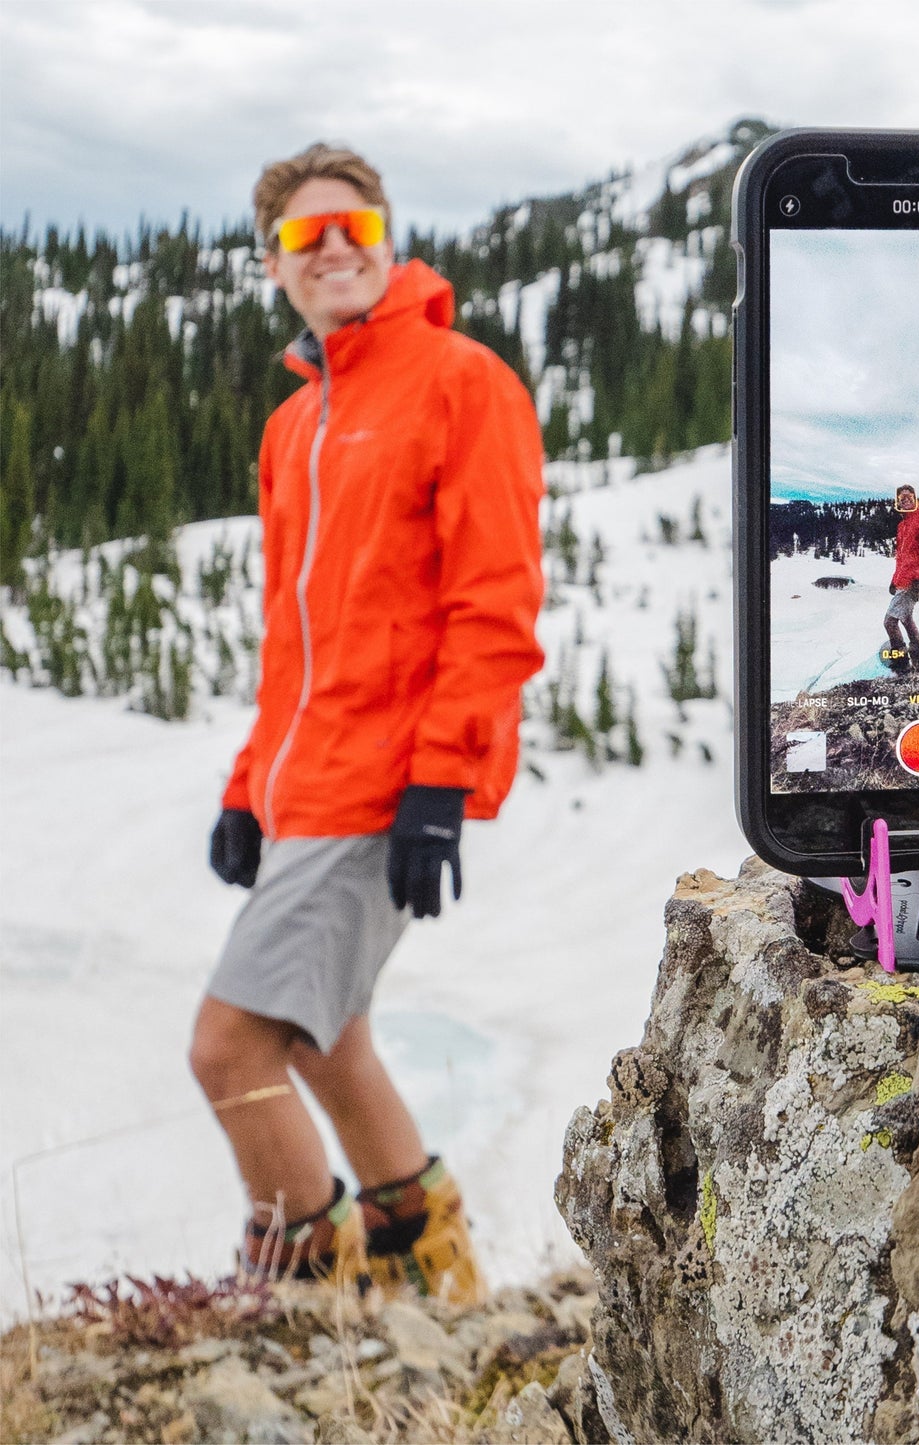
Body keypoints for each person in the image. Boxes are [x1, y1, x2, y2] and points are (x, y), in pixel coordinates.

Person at [189, 143, 545, 1300]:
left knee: (232, 1046)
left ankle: (302, 1301)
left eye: (353, 225)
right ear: (274, 265)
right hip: (307, 782)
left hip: (384, 780)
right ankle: (437, 1281)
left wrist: (438, 784)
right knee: (327, 1040)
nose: (332, 244)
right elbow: (292, 641)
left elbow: (492, 602)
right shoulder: (295, 425)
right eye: (303, 234)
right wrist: (250, 787)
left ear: (387, 239)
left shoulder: (460, 379)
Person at [883, 484, 919, 673]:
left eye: (909, 497)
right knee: (906, 618)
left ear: (915, 499)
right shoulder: (903, 524)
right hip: (903, 579)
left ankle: (902, 663)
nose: (905, 500)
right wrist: (894, 580)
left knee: (889, 622)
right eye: (902, 498)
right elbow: (902, 558)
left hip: (914, 580)